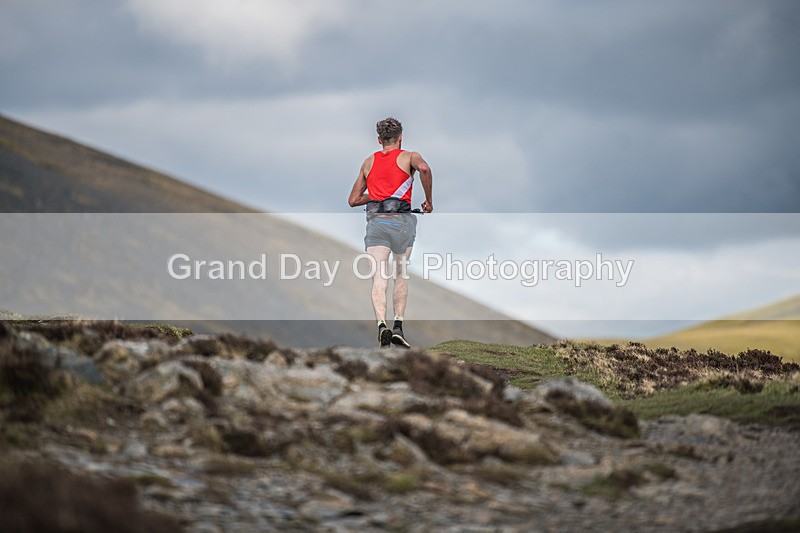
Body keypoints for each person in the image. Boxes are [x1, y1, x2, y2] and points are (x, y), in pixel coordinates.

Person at [348, 117, 433, 348]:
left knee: (379, 277)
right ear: (400, 137)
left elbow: (353, 200)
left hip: (377, 224)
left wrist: (377, 195)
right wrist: (428, 200)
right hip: (402, 223)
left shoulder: (368, 162)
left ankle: (381, 326)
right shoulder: (410, 157)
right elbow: (424, 168)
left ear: (379, 139)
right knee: (400, 274)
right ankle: (398, 327)